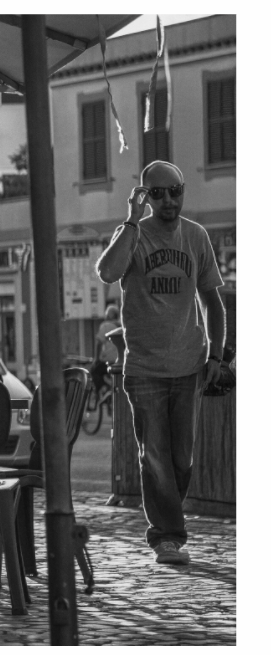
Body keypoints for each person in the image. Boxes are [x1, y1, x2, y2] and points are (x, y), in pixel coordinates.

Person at [95, 160, 225, 566]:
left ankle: (169, 526)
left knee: (181, 458)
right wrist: (131, 222)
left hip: (189, 365)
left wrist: (217, 354)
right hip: (145, 370)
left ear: (183, 191)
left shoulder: (196, 237)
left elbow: (212, 301)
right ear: (144, 196)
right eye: (158, 193)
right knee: (154, 456)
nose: (168, 199)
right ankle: (167, 536)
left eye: (175, 191)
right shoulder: (133, 235)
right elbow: (106, 272)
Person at [90, 304, 121, 393]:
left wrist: (96, 359)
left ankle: (104, 388)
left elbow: (98, 342)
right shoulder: (120, 326)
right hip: (119, 361)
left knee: (94, 371)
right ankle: (109, 388)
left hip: (108, 361)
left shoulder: (106, 325)